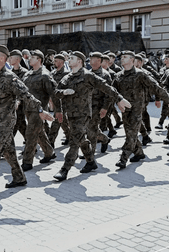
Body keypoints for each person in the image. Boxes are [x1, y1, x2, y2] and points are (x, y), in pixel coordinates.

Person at [0, 45, 54, 194]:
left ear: (2, 58)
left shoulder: (10, 78)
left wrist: (40, 110)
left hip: (6, 122)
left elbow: (26, 95)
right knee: (9, 152)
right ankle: (19, 177)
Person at [52, 52, 130, 180]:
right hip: (70, 113)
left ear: (79, 62)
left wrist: (119, 99)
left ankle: (65, 169)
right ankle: (91, 162)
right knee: (81, 138)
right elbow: (56, 92)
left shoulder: (88, 76)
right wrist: (63, 92)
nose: (69, 60)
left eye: (72, 58)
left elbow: (105, 86)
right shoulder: (68, 77)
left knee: (74, 141)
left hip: (83, 114)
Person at [112, 51, 169, 169]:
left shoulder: (140, 74)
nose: (122, 59)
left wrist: (168, 101)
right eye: (121, 57)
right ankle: (139, 153)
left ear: (132, 60)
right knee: (129, 133)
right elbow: (112, 92)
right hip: (125, 111)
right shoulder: (118, 76)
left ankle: (123, 158)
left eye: (125, 57)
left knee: (130, 135)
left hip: (137, 109)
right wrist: (114, 104)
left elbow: (155, 87)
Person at [21, 49, 60, 170]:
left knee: (31, 133)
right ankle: (49, 152)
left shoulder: (45, 75)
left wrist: (58, 110)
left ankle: (27, 161)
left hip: (39, 110)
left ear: (39, 59)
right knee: (39, 133)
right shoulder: (28, 74)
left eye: (32, 57)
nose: (29, 59)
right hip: (27, 108)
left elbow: (54, 93)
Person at [48, 53, 70, 147]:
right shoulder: (52, 73)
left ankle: (50, 142)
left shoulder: (67, 74)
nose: (54, 62)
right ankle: (69, 136)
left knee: (57, 120)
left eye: (56, 61)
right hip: (54, 100)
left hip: (63, 101)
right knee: (63, 121)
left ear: (61, 62)